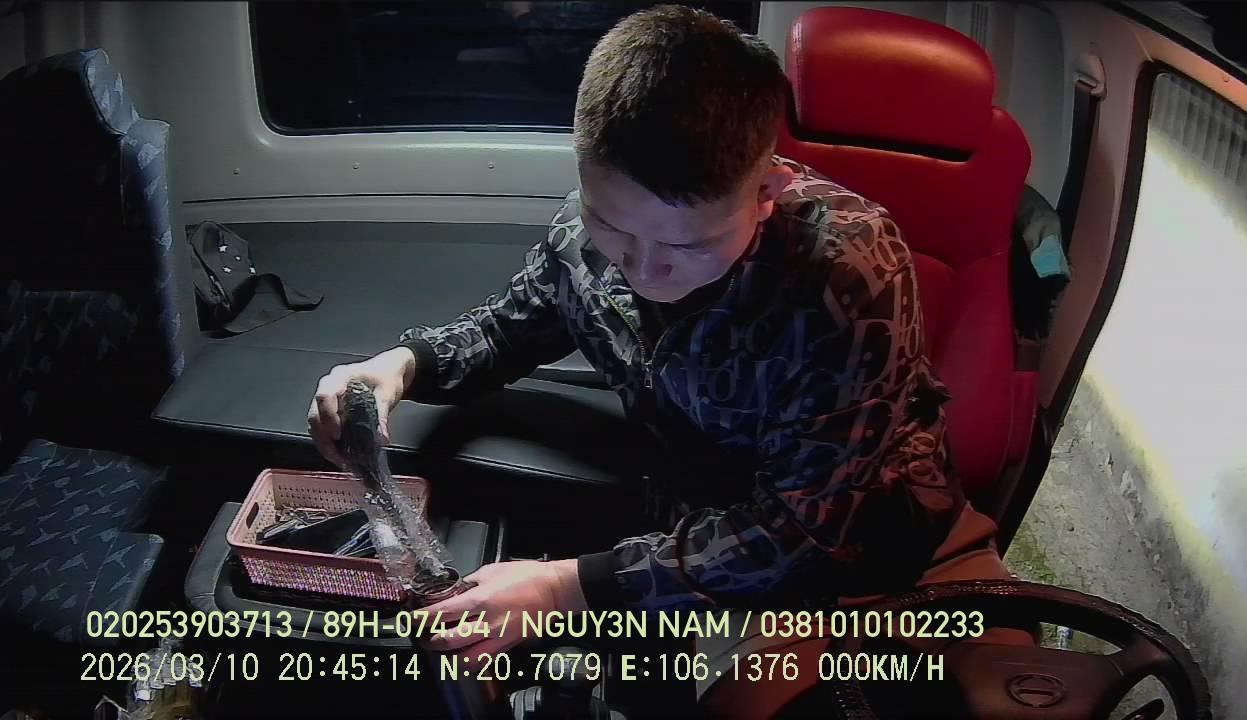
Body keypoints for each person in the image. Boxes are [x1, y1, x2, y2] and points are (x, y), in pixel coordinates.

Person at [308, 3, 1003, 693]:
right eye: (610, 224)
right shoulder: (588, 230)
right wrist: (400, 367)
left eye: (687, 246)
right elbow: (509, 329)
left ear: (768, 192)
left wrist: (563, 588)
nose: (641, 269)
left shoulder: (846, 276)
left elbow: (799, 534)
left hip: (856, 547)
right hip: (681, 499)